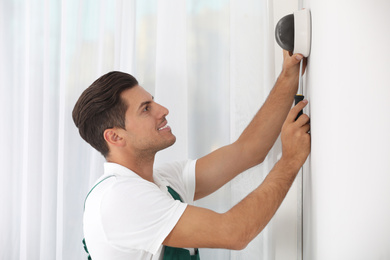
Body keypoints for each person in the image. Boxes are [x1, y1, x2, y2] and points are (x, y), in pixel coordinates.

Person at [72, 50, 310, 260]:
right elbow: (234, 233)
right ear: (115, 137)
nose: (163, 110)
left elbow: (248, 150)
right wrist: (290, 160)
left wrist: (288, 75)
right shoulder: (119, 198)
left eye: (152, 102)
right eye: (146, 109)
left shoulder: (161, 182)